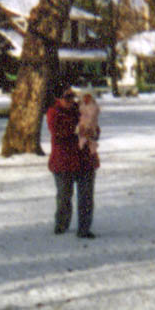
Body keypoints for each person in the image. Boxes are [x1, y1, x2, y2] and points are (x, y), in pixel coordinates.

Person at [46, 84, 100, 238]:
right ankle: (62, 224)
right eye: (66, 97)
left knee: (86, 198)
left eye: (72, 96)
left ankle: (84, 229)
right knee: (64, 197)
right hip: (63, 163)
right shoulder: (53, 113)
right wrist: (79, 129)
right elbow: (59, 131)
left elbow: (93, 125)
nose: (71, 100)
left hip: (85, 161)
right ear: (58, 98)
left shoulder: (83, 109)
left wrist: (93, 131)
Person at [77, 92, 100, 156]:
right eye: (85, 97)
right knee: (81, 144)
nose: (86, 98)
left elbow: (92, 118)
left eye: (88, 97)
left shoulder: (93, 106)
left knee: (90, 144)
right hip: (81, 128)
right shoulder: (80, 105)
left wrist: (87, 127)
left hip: (90, 128)